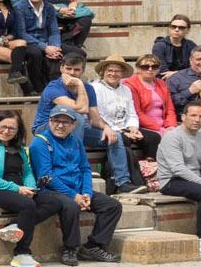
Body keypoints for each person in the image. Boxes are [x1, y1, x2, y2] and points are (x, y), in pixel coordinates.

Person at [0, 111, 62, 267]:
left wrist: (31, 189)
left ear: (18, 131)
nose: (6, 131)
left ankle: (15, 225)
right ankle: (21, 254)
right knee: (27, 205)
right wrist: (18, 189)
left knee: (54, 202)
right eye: (3, 127)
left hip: (17, 189)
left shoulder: (18, 147)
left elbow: (27, 171)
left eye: (12, 128)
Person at [27, 106, 124, 266]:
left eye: (66, 122)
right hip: (51, 191)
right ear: (49, 122)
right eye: (56, 121)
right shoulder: (40, 142)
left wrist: (86, 193)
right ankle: (70, 248)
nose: (60, 125)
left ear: (74, 125)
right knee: (71, 206)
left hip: (78, 189)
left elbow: (85, 169)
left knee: (112, 205)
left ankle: (93, 246)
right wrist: (74, 196)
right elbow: (46, 176)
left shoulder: (76, 141)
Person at [32, 50, 135, 194]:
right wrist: (80, 86)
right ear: (61, 68)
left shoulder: (89, 88)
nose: (72, 73)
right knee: (77, 118)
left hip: (73, 129)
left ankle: (123, 182)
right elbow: (80, 108)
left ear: (82, 71)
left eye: (76, 70)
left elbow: (95, 119)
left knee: (115, 136)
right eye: (68, 69)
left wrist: (107, 127)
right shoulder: (53, 87)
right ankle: (77, 166)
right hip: (47, 129)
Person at [154, 100, 201, 258]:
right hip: (172, 180)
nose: (197, 120)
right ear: (183, 117)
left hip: (196, 177)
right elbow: (178, 168)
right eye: (193, 115)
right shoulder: (173, 137)